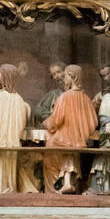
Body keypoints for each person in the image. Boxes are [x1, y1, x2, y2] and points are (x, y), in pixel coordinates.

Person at [43, 64, 97, 194]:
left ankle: (53, 192)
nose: (64, 79)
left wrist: (46, 123)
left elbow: (55, 121)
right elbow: (93, 123)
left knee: (48, 159)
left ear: (71, 77)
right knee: (72, 155)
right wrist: (80, 131)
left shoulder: (64, 97)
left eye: (66, 76)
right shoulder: (86, 99)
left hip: (61, 140)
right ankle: (68, 183)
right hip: (79, 142)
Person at [0, 64, 32, 194]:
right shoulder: (19, 99)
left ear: (3, 77)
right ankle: (6, 185)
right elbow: (22, 121)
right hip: (11, 141)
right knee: (8, 161)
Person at [35, 61, 66, 125]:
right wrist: (53, 117)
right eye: (53, 74)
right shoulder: (53, 94)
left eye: (58, 72)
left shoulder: (76, 93)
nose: (56, 76)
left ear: (65, 71)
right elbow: (38, 110)